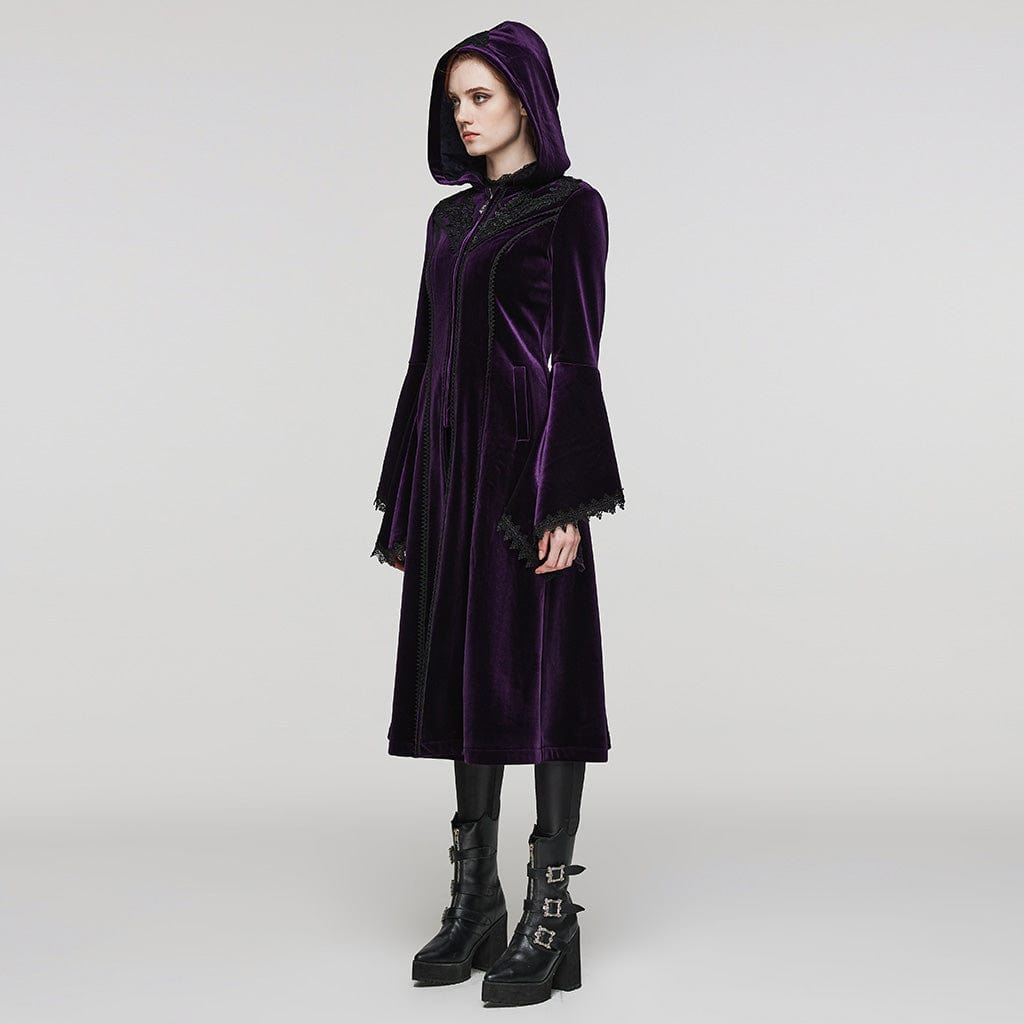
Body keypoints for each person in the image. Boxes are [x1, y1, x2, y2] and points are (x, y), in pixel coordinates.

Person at [370, 20, 625, 1007]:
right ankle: (474, 902)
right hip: (450, 470)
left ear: (525, 95)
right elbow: (424, 356)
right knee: (466, 674)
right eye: (455, 102)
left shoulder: (572, 209)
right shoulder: (447, 221)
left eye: (480, 96)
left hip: (528, 472)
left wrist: (567, 496)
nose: (465, 116)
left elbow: (577, 355)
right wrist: (404, 496)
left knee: (546, 675)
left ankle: (550, 916)